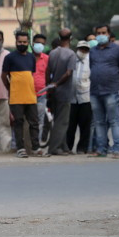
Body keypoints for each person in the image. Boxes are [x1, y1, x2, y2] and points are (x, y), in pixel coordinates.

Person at [88, 24, 119, 159]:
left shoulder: (117, 50)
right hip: (94, 91)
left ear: (109, 34)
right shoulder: (92, 51)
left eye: (104, 32)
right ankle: (101, 149)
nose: (101, 35)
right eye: (98, 32)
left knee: (114, 121)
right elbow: (91, 67)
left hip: (111, 90)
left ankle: (116, 149)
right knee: (98, 122)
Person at [2, 31, 39, 158]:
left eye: (24, 42)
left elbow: (30, 75)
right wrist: (10, 88)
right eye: (19, 42)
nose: (22, 44)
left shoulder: (31, 57)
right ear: (16, 42)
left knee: (34, 122)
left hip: (30, 96)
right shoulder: (9, 58)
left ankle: (36, 148)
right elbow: (4, 75)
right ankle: (20, 148)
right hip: (16, 96)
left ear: (28, 43)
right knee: (18, 122)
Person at [46, 28, 77, 156]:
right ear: (71, 39)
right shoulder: (71, 54)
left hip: (53, 91)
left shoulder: (53, 53)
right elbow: (69, 73)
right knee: (62, 121)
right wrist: (58, 83)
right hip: (64, 91)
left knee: (58, 118)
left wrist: (50, 86)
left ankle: (64, 147)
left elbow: (48, 71)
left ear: (59, 38)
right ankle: (54, 148)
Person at [67, 40, 92, 154]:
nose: (83, 51)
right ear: (77, 49)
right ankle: (68, 147)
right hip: (71, 97)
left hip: (85, 97)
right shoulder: (71, 60)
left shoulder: (90, 61)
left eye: (85, 49)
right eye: (81, 49)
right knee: (70, 125)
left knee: (85, 125)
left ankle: (82, 147)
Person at [31, 34, 49, 149]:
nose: (39, 45)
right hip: (28, 94)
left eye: (42, 43)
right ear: (32, 44)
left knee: (40, 120)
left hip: (42, 94)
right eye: (37, 42)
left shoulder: (47, 59)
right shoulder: (27, 57)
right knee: (28, 121)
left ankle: (36, 145)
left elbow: (49, 75)